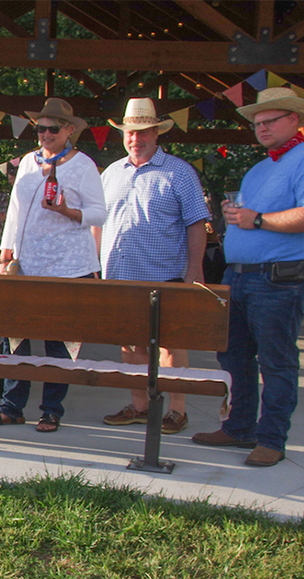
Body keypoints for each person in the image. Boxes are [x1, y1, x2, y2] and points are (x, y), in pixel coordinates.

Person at [192, 87, 304, 467]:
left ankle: (271, 439)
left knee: (276, 362)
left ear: (294, 119)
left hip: (278, 280)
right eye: (257, 123)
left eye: (270, 121)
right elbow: (249, 216)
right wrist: (235, 215)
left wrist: (256, 220)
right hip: (238, 277)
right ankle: (240, 427)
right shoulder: (259, 168)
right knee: (234, 356)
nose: (262, 128)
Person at [0, 98, 106, 433]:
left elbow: (100, 213)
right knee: (15, 338)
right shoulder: (27, 162)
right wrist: (5, 253)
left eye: (53, 128)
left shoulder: (84, 165)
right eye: (40, 128)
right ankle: (12, 406)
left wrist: (68, 211)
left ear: (69, 130)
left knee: (59, 342)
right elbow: (15, 211)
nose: (45, 134)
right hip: (26, 264)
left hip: (68, 266)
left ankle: (52, 410)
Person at [93, 97, 209, 435]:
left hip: (165, 275)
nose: (136, 138)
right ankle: (140, 406)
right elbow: (97, 224)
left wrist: (193, 273)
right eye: (130, 132)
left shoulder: (179, 172)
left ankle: (177, 410)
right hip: (119, 276)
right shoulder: (111, 173)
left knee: (170, 347)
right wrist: (94, 266)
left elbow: (197, 224)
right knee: (130, 346)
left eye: (143, 132)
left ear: (157, 133)